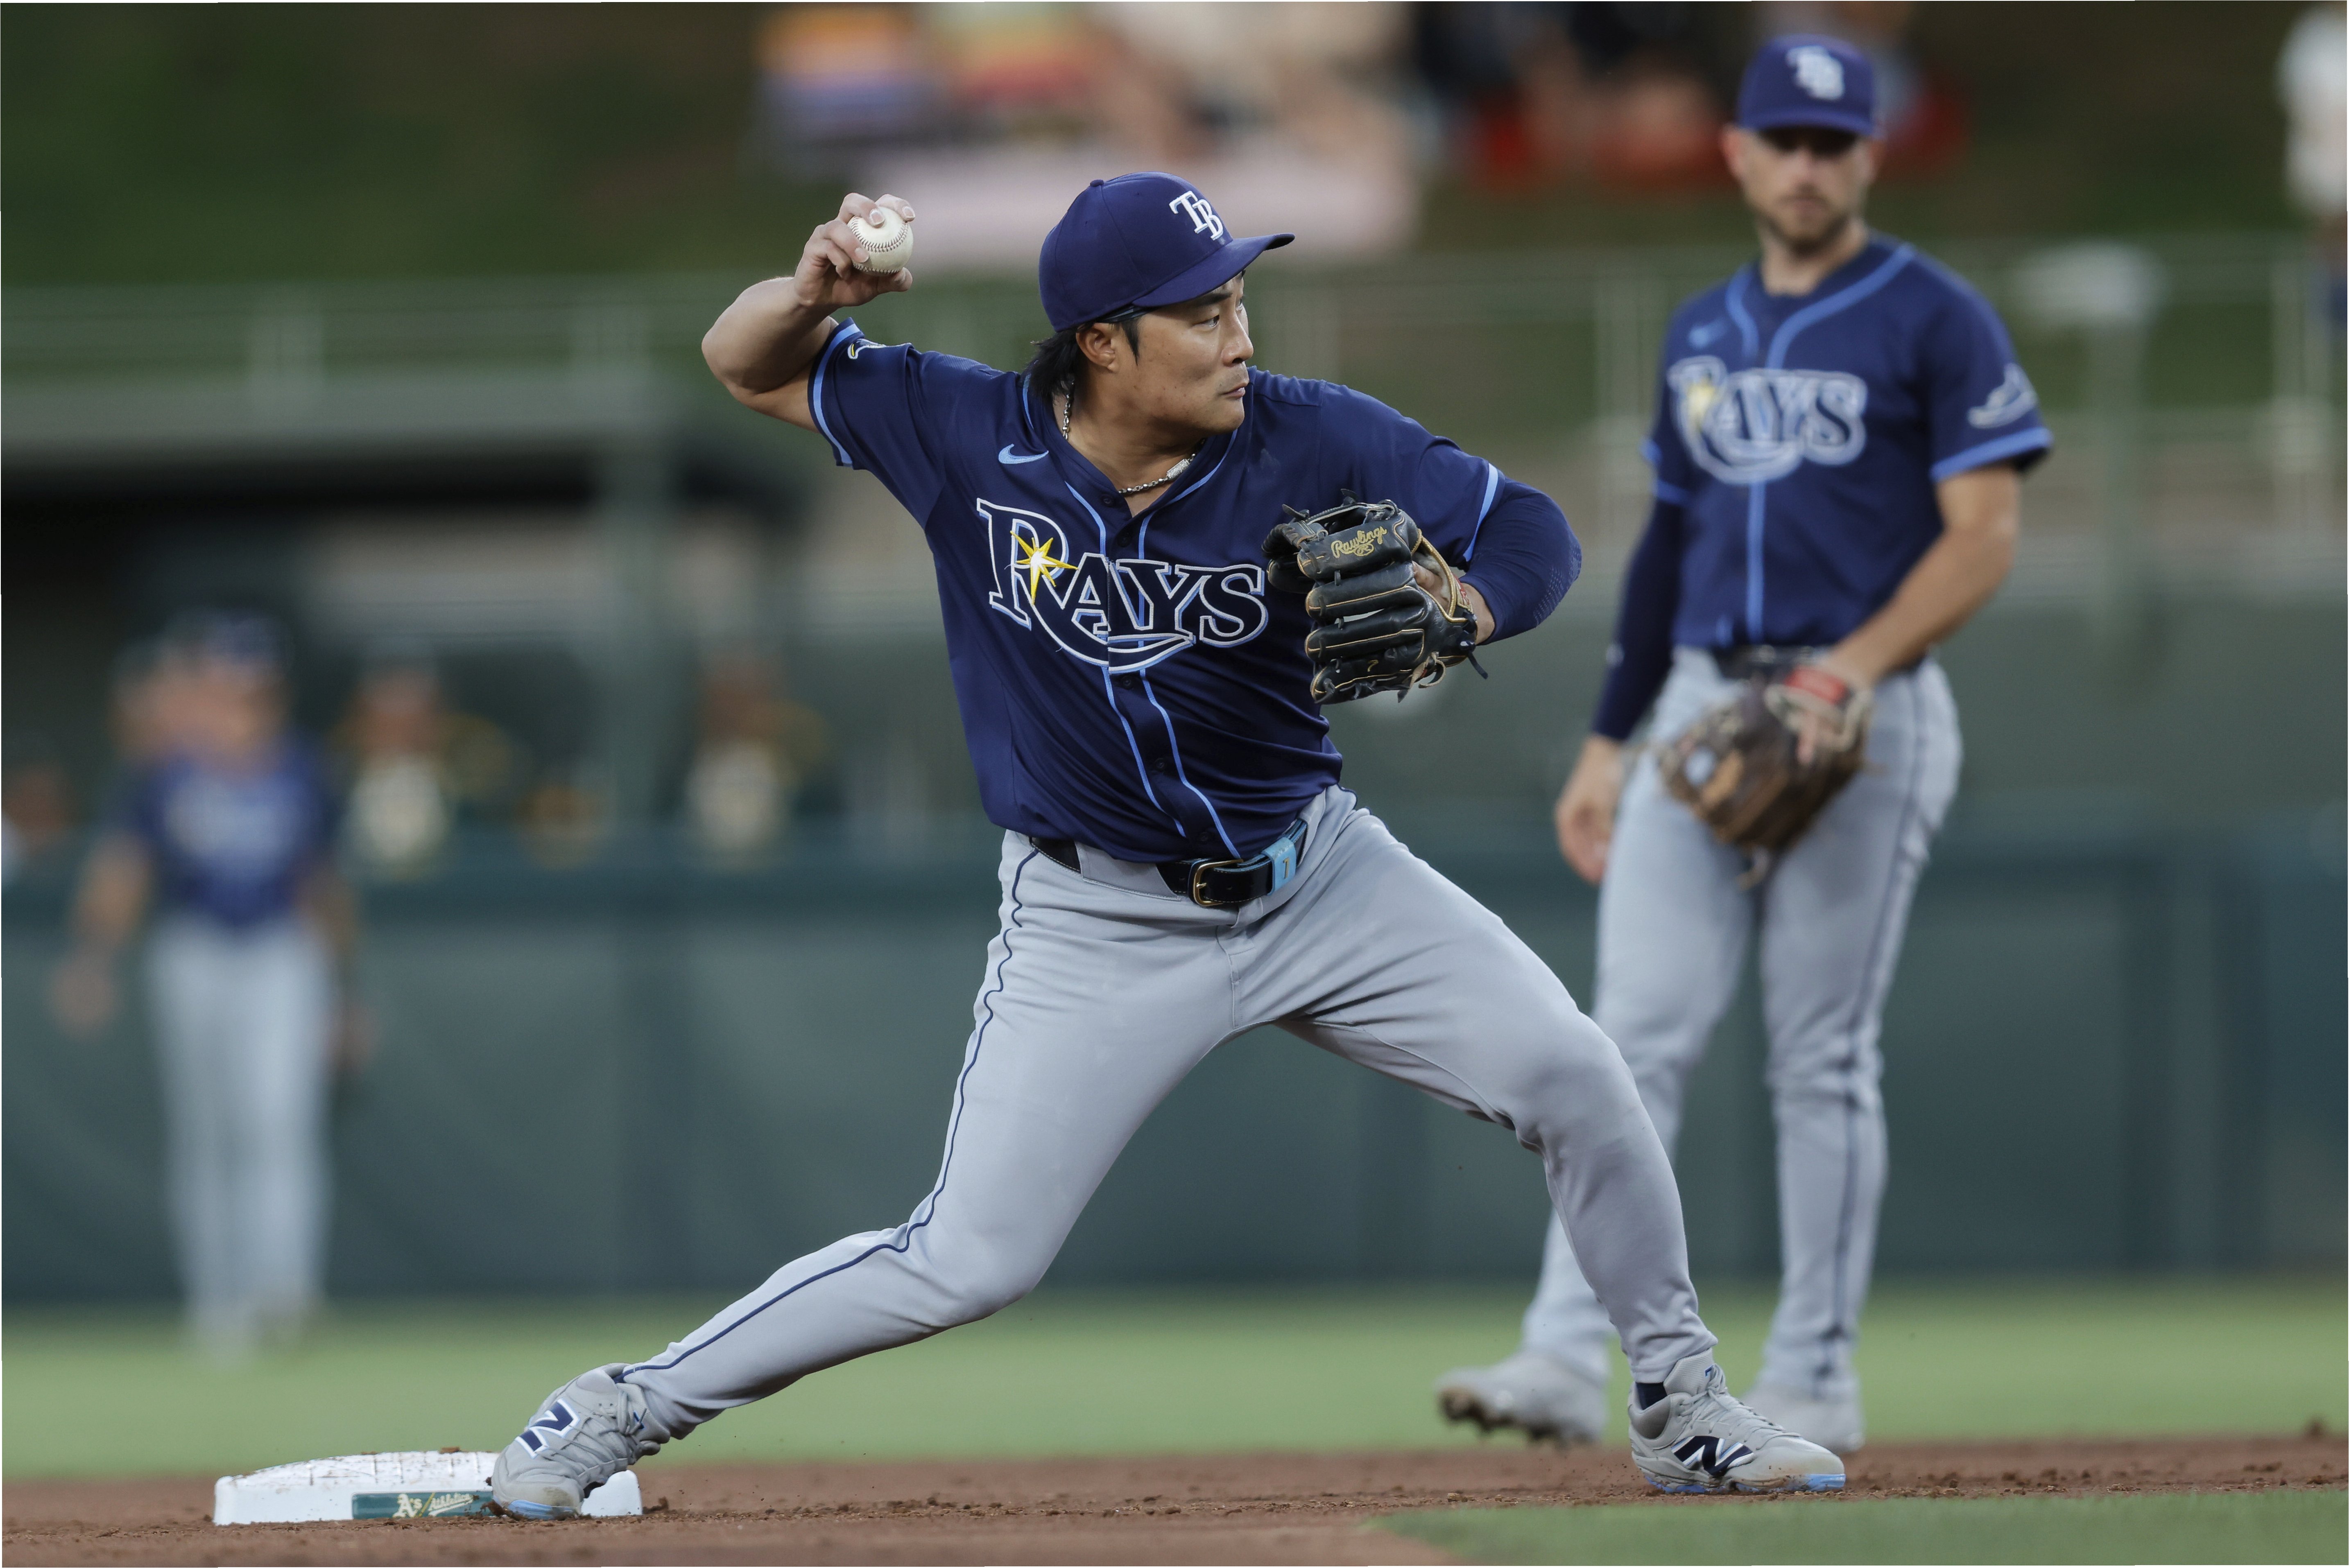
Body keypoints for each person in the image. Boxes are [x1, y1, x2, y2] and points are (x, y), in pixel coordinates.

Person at [486, 171, 1844, 1517]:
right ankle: (621, 1406)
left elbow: (1529, 529)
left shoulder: (1311, 434)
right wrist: (807, 296)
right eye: (1202, 315)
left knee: (1578, 1075)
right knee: (969, 1258)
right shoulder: (962, 429)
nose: (1240, 337)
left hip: (1320, 878)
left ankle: (1682, 1406)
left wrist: (1472, 608)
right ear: (1102, 342)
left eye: (1239, 300)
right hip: (1099, 918)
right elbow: (743, 363)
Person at [1436, 33, 2047, 1453]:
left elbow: (1985, 537)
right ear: (1737, 153)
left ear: (1870, 157)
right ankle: (1560, 1354)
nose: (1806, 165)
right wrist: (1607, 738)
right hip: (1702, 699)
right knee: (1619, 1042)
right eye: (1783, 140)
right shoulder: (1701, 327)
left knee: (1819, 1055)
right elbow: (1669, 546)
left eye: (1832, 143)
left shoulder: (1933, 315)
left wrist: (1852, 668)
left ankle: (1816, 1370)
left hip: (1869, 710)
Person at [50, 614, 361, 1358]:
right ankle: (220, 1304)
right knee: (209, 1131)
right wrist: (93, 959)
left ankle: (285, 1291)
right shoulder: (165, 770)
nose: (239, 697)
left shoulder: (302, 768)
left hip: (282, 951)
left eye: (251, 683)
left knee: (279, 1120)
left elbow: (325, 886)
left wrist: (346, 991)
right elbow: (124, 870)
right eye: (226, 681)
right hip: (193, 949)